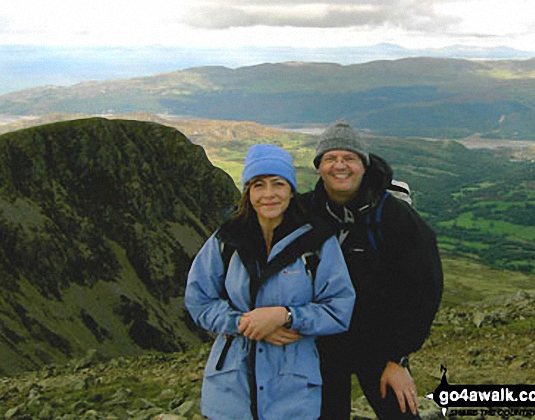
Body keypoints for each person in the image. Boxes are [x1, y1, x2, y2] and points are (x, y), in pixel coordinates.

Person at [185, 143, 356, 420]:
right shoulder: (227, 239)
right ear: (248, 192)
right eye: (258, 185)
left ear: (290, 189)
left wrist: (286, 316)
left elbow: (339, 309)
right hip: (230, 395)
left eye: (278, 183)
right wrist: (244, 323)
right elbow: (198, 299)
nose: (269, 194)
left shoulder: (317, 242)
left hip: (292, 397)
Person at [299, 122, 444, 420]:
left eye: (349, 158)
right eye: (330, 158)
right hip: (323, 344)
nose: (340, 165)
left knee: (401, 414)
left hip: (380, 345)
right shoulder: (304, 211)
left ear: (364, 166)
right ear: (319, 168)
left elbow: (426, 287)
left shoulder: (393, 216)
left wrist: (398, 359)